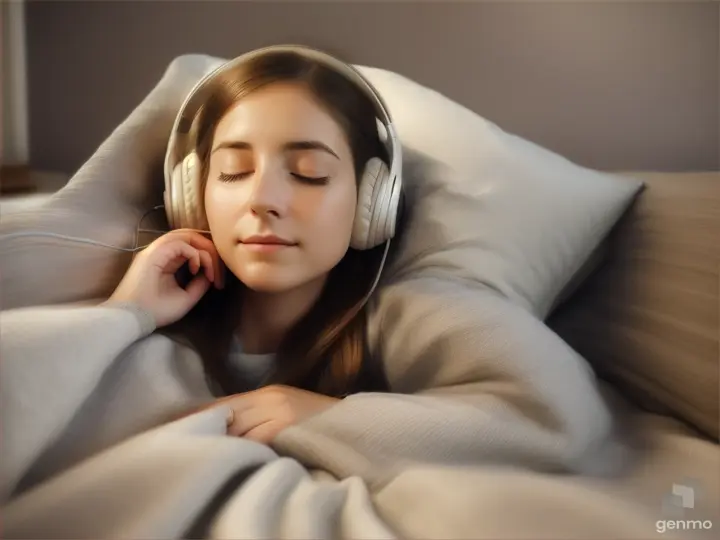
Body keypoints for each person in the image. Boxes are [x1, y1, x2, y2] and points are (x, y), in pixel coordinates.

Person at [107, 46, 401, 444]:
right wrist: (123, 317)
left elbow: (505, 424)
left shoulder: (402, 325)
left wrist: (336, 417)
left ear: (374, 198)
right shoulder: (159, 335)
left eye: (308, 174)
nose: (262, 199)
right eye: (234, 172)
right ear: (191, 193)